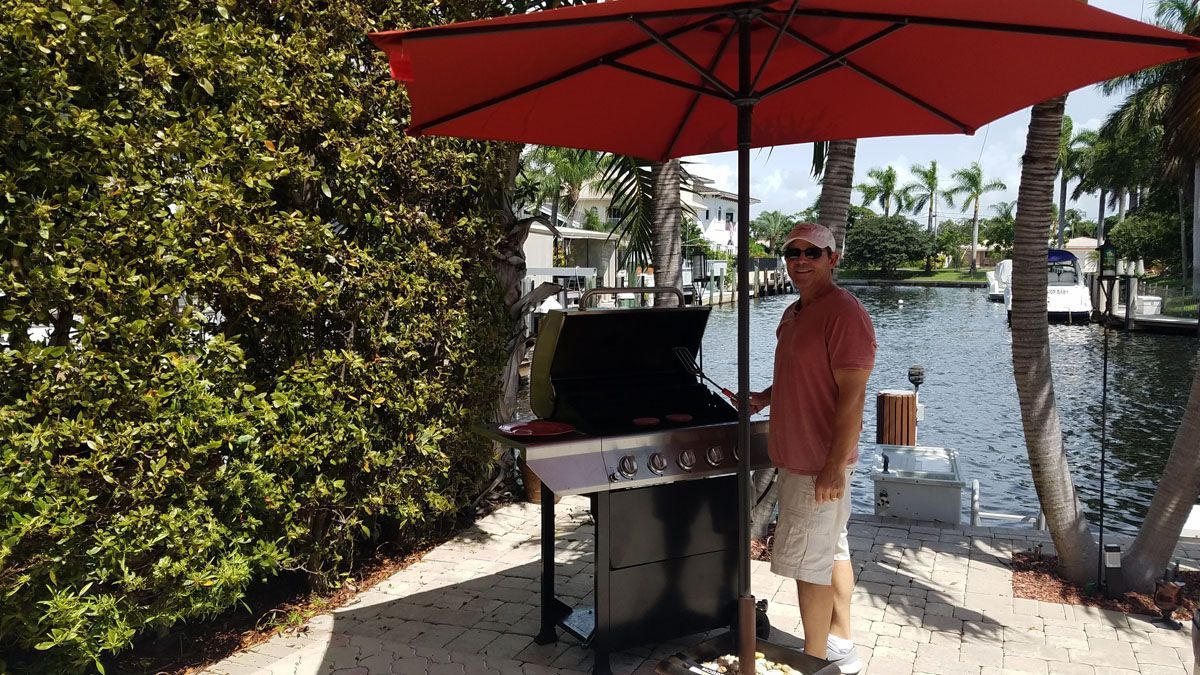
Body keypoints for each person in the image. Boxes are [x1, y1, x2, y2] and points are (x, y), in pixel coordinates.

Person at [749, 222, 875, 674]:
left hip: (816, 465)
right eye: (792, 253)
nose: (800, 261)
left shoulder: (844, 313)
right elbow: (799, 376)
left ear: (832, 259)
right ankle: (840, 641)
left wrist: (834, 466)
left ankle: (815, 660)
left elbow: (852, 397)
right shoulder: (794, 313)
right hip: (797, 458)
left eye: (812, 253)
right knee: (831, 550)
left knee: (808, 565)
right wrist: (765, 397)